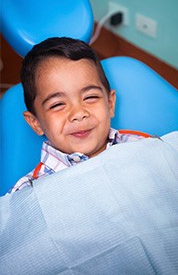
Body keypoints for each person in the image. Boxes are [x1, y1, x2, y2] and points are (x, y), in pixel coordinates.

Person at [10, 37, 147, 193]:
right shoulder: (27, 195)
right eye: (57, 105)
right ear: (35, 123)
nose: (79, 113)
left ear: (110, 104)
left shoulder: (146, 148)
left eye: (90, 97)